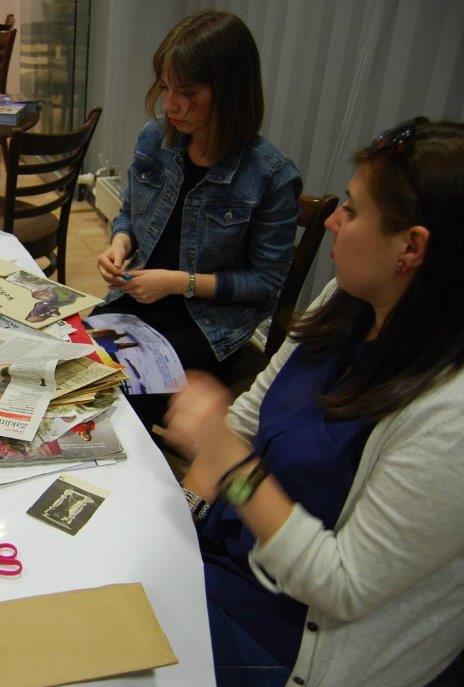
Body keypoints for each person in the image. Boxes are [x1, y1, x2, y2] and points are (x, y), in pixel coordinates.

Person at [164, 119, 464, 686]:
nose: (331, 220)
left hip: (281, 635)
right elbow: (247, 419)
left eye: (351, 209)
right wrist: (184, 509)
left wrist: (227, 463)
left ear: (411, 247)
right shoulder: (346, 301)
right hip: (221, 561)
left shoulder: (449, 415)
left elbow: (340, 584)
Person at [93, 10, 302, 426]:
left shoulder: (271, 175)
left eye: (186, 92)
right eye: (165, 87)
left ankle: (141, 469)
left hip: (208, 326)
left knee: (123, 395)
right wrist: (120, 244)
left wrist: (177, 282)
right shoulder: (155, 139)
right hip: (139, 303)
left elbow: (265, 282)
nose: (170, 104)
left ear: (229, 92)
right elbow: (131, 214)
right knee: (76, 364)